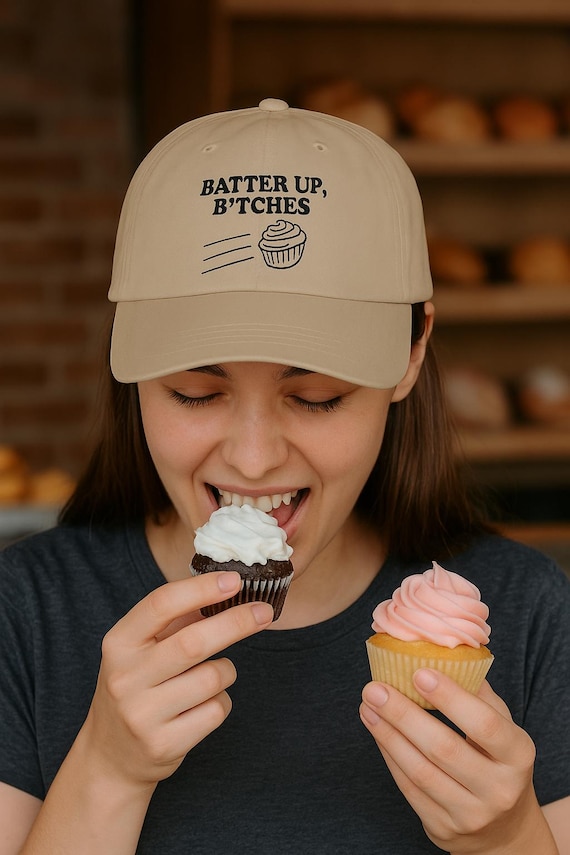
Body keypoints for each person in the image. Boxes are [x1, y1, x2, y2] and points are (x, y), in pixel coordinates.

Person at [0, 98, 568, 855]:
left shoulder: (528, 615)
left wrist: (508, 838)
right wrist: (107, 772)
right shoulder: (24, 614)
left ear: (412, 352)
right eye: (194, 392)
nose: (253, 458)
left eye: (316, 397)